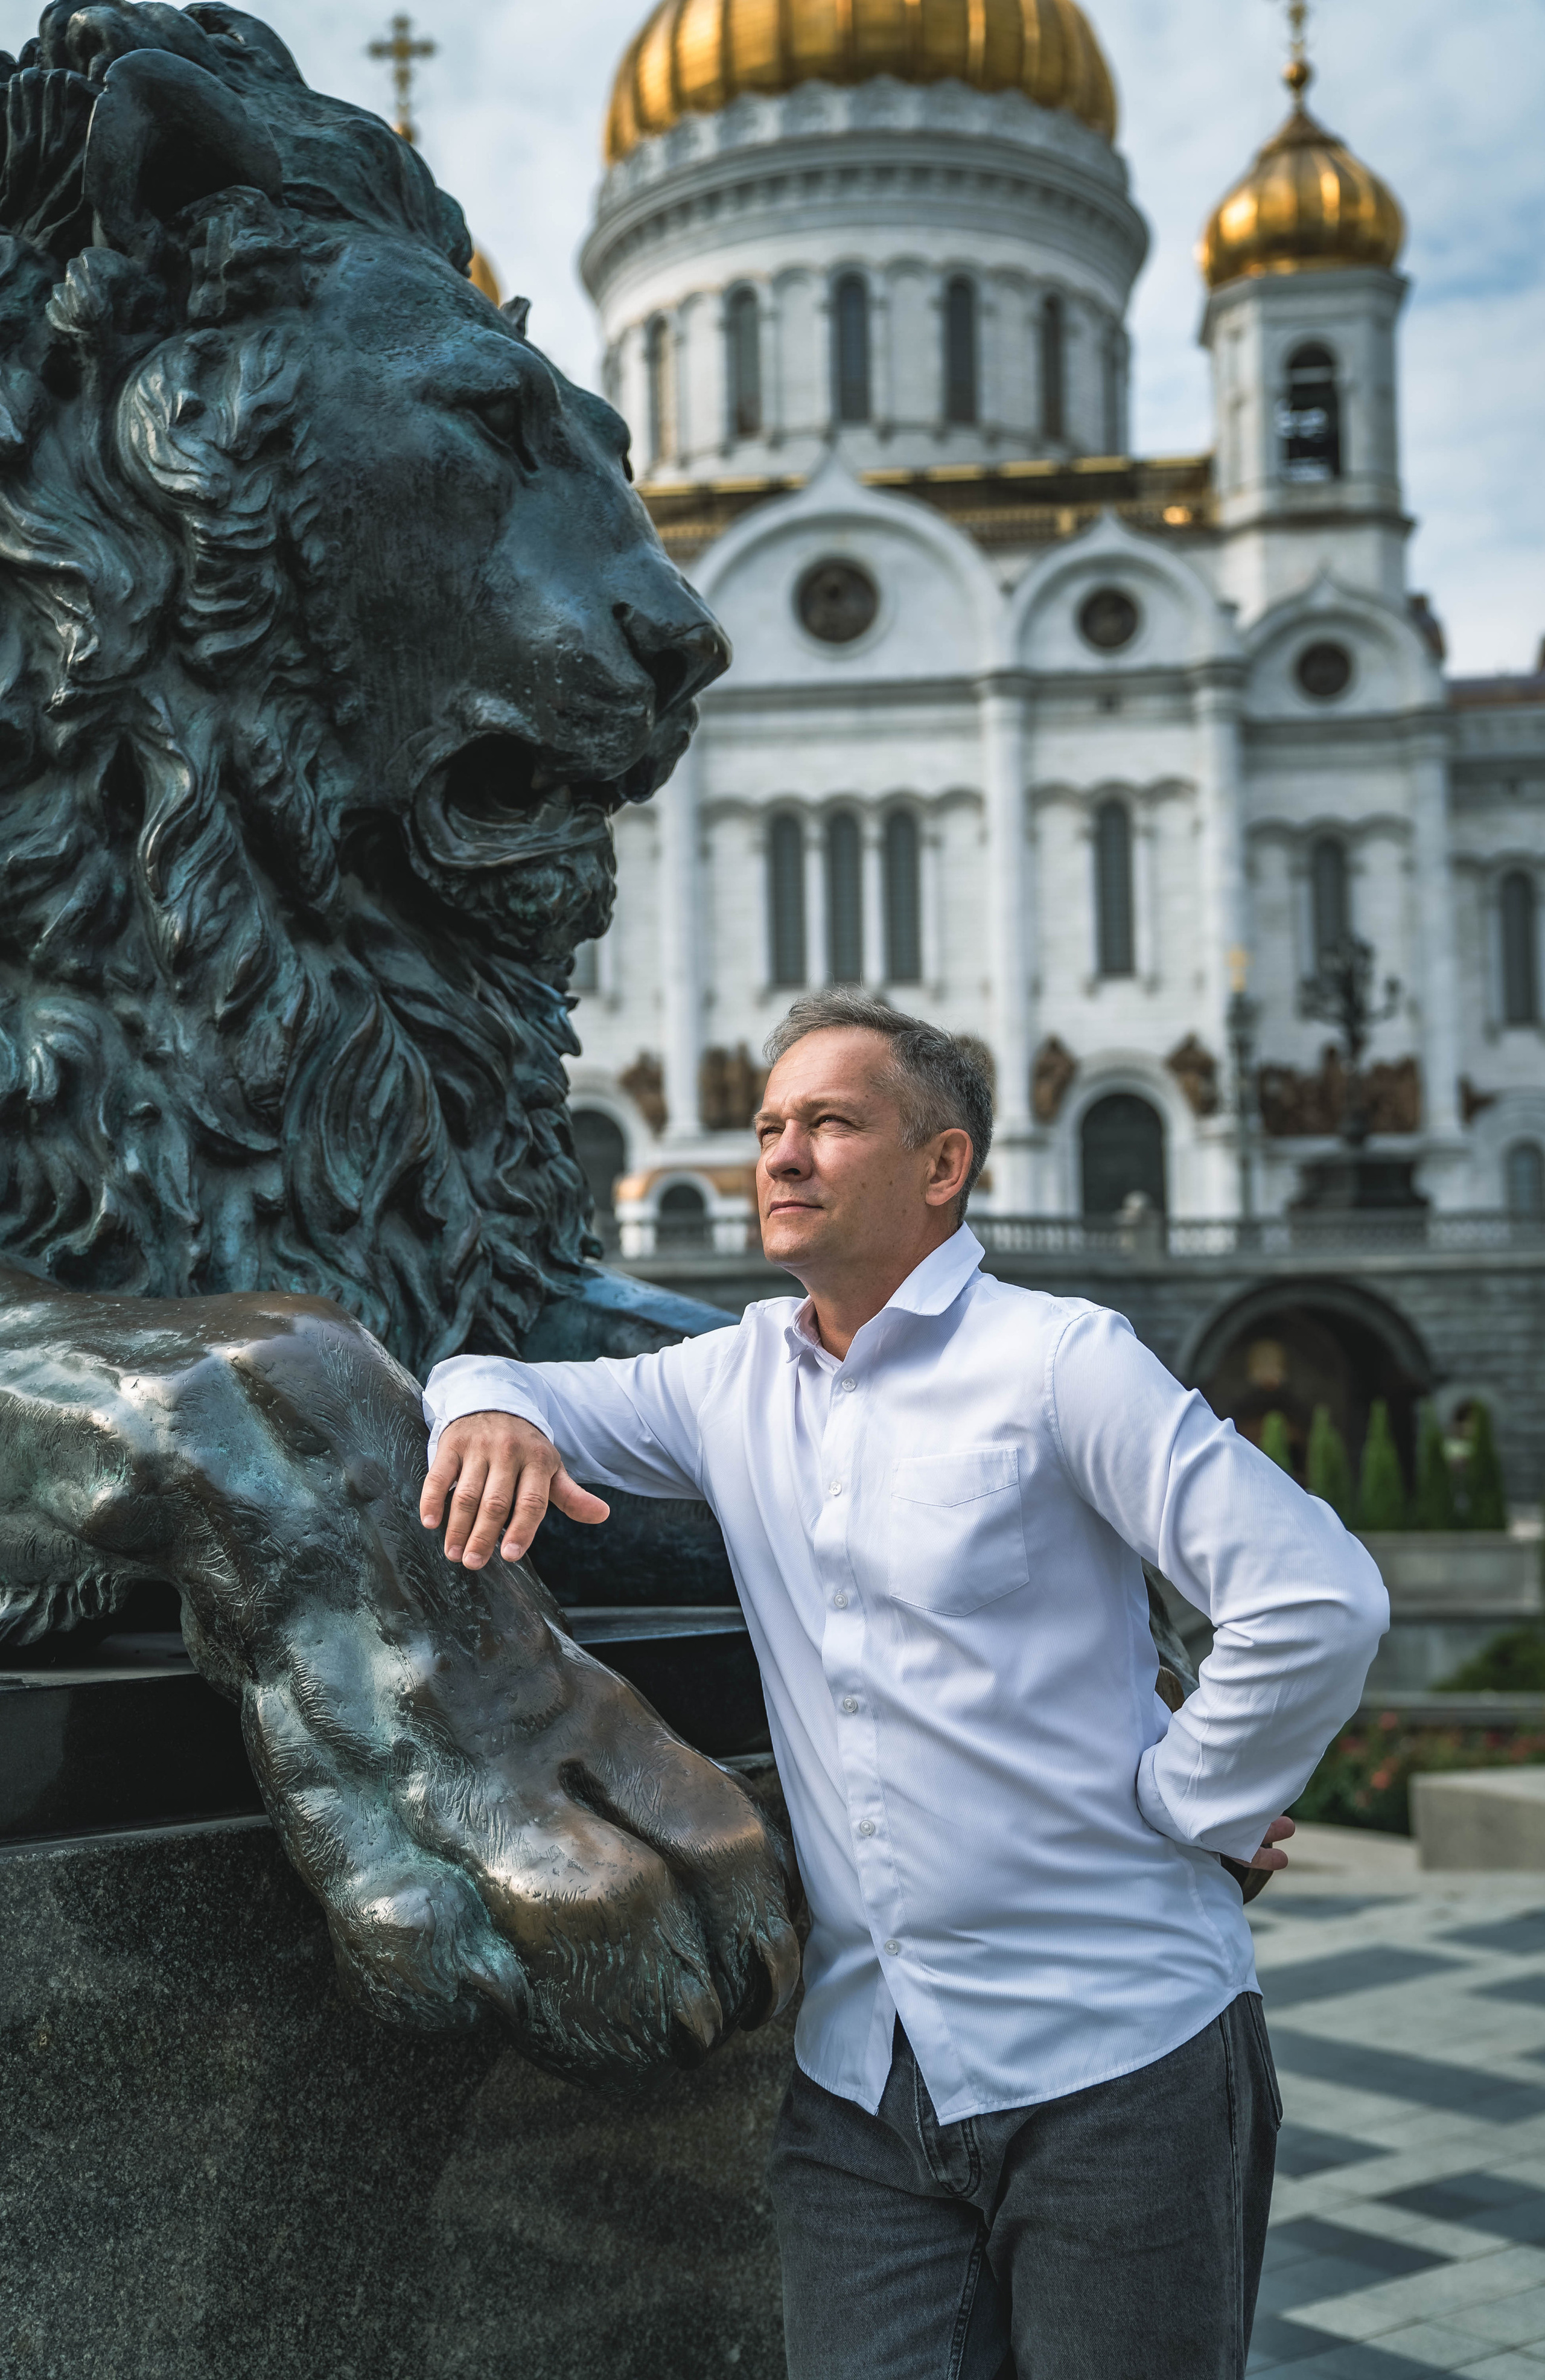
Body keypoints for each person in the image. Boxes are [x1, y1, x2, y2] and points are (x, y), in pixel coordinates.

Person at [419, 991, 1387, 2380]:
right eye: (767, 1126)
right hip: (861, 2086)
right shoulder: (729, 1379)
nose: (780, 1155)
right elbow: (498, 1376)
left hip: (1116, 2058)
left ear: (942, 1167)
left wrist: (1191, 1801)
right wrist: (489, 1410)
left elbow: (1313, 1597)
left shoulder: (1059, 1361)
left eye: (828, 1122)